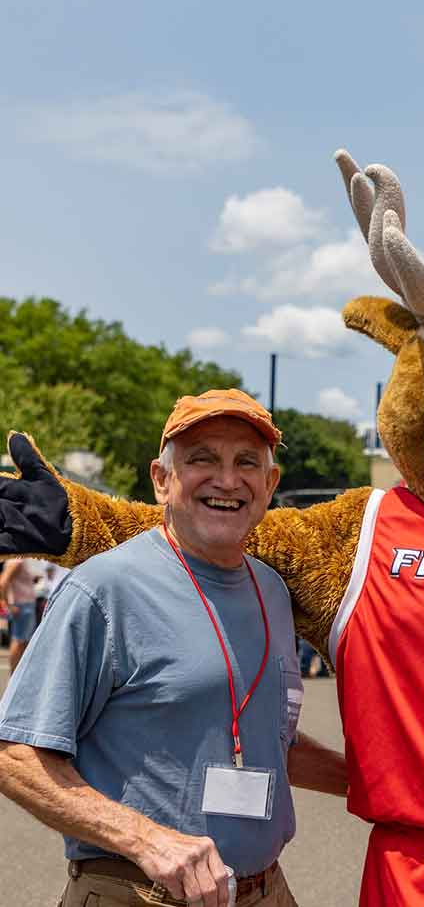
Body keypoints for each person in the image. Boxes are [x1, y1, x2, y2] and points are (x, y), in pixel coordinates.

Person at [0, 389, 347, 907]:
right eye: (201, 459)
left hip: (265, 889)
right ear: (162, 480)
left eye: (246, 462)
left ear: (270, 484)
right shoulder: (105, 588)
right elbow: (15, 754)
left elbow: (272, 743)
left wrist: (385, 786)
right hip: (140, 892)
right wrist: (146, 839)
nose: (227, 480)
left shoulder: (272, 591)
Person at [0, 556, 45, 674]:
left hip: (24, 605)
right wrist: (7, 604)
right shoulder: (17, 561)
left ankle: (17, 674)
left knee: (22, 641)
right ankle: (14, 674)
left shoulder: (17, 560)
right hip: (22, 605)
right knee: (19, 640)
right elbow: (3, 582)